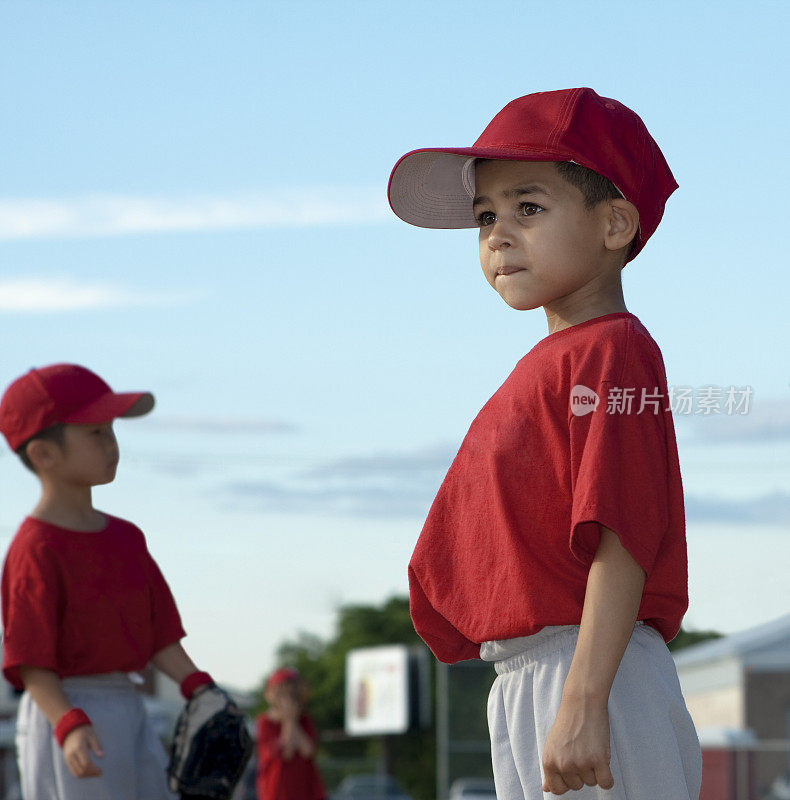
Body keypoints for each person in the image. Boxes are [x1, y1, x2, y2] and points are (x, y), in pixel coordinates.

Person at [387, 88, 703, 799]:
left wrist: (587, 703)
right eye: (486, 216)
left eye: (529, 208)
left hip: (591, 672)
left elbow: (623, 536)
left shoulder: (611, 349)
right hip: (536, 678)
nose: (499, 234)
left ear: (615, 222)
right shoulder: (549, 365)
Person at [0, 363, 217, 800]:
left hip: (129, 704)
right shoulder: (35, 547)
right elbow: (32, 662)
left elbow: (158, 635)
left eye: (111, 429)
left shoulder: (126, 538)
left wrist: (201, 689)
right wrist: (67, 723)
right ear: (44, 454)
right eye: (95, 433)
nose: (112, 443)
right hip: (67, 710)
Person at [255, 668, 325, 800]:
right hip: (278, 792)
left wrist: (294, 720)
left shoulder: (304, 720)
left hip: (307, 792)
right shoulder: (265, 723)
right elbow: (287, 753)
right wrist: (288, 721)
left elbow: (308, 751)